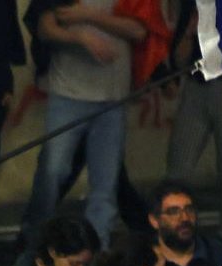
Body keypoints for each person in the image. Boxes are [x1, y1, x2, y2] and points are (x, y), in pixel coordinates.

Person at [19, 0, 140, 244]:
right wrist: (80, 37)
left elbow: (138, 30)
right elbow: (44, 26)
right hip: (69, 94)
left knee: (105, 185)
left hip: (113, 98)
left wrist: (88, 17)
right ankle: (33, 245)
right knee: (53, 172)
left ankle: (98, 252)